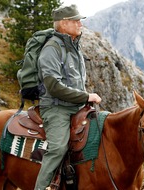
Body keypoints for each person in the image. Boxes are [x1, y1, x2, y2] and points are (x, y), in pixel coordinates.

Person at [34, 4, 102, 190]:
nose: (80, 24)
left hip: (77, 106)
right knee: (57, 149)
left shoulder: (75, 49)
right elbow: (54, 87)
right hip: (56, 108)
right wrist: (86, 96)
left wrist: (84, 99)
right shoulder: (51, 50)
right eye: (76, 20)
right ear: (64, 24)